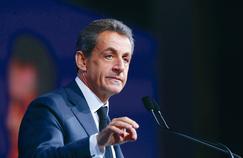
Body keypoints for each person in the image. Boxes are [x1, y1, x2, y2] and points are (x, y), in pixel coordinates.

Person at [18, 18, 139, 158]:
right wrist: (96, 143)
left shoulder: (106, 123)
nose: (120, 67)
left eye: (125, 59)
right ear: (82, 61)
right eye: (109, 56)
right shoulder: (49, 108)